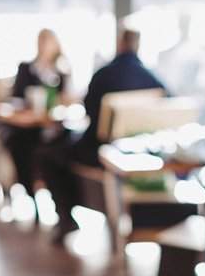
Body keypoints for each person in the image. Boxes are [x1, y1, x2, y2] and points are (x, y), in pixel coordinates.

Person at [41, 27, 168, 243]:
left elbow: (89, 112)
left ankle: (66, 217)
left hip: (99, 151)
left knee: (49, 155)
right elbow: (165, 105)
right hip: (139, 151)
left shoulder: (104, 74)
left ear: (120, 43)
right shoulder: (151, 77)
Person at [3, 28, 70, 199]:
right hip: (26, 126)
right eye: (41, 41)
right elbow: (15, 100)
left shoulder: (61, 73)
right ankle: (30, 193)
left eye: (47, 42)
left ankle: (60, 204)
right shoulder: (26, 69)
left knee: (60, 147)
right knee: (21, 144)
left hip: (51, 127)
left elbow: (65, 102)